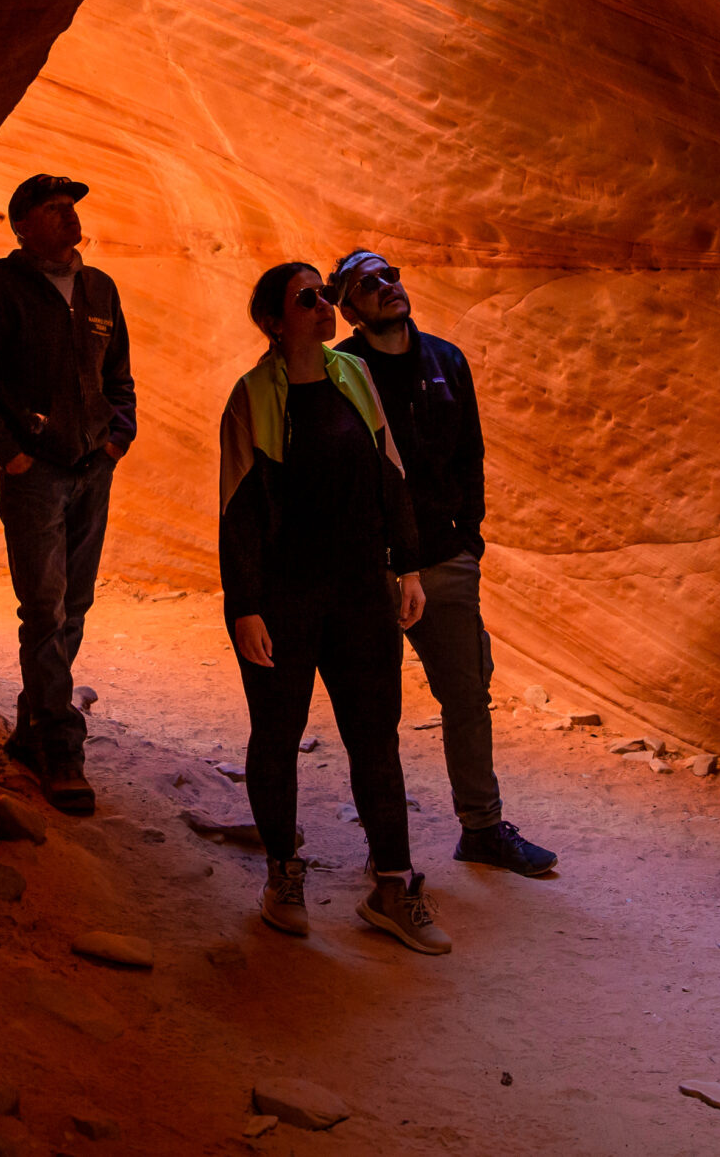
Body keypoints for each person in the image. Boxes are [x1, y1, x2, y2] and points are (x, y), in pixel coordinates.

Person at [219, 261, 451, 954]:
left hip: (357, 592)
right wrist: (246, 605)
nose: (324, 306)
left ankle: (391, 884)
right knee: (277, 733)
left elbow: (390, 474)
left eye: (325, 294)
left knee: (376, 735)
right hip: (285, 597)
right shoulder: (253, 396)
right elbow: (238, 511)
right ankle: (283, 874)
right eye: (307, 297)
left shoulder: (354, 378)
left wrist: (406, 565)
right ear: (274, 320)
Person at [327, 248, 558, 877]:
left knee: (465, 697)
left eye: (390, 276)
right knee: (376, 709)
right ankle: (388, 846)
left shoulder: (446, 360)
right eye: (367, 285)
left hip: (443, 559)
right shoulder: (340, 368)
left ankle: (481, 829)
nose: (386, 288)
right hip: (371, 570)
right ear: (346, 308)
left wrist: (468, 538)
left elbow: (471, 453)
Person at [0, 173, 135, 815]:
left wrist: (116, 438)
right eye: (55, 211)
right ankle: (60, 748)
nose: (71, 220)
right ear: (22, 225)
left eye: (72, 209)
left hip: (90, 468)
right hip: (36, 477)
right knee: (45, 609)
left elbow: (119, 377)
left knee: (73, 605)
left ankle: (33, 727)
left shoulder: (99, 288)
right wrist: (12, 453)